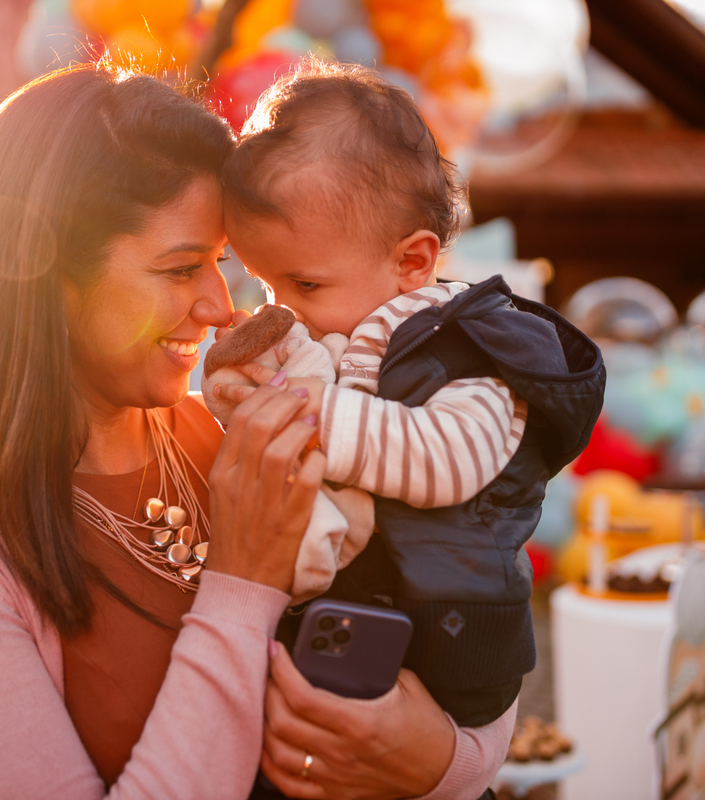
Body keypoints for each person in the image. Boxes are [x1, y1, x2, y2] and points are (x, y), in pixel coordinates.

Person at [0, 63, 514, 800]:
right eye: (178, 271)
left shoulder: (243, 427)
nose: (216, 305)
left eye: (220, 263)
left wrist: (439, 762)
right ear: (42, 276)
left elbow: (473, 604)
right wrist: (242, 584)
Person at [213, 60, 604, 738]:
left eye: (304, 286)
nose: (286, 310)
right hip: (353, 625)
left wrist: (308, 410)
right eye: (267, 287)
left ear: (412, 262)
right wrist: (247, 400)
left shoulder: (473, 346)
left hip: (452, 639)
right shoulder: (335, 337)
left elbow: (449, 458)